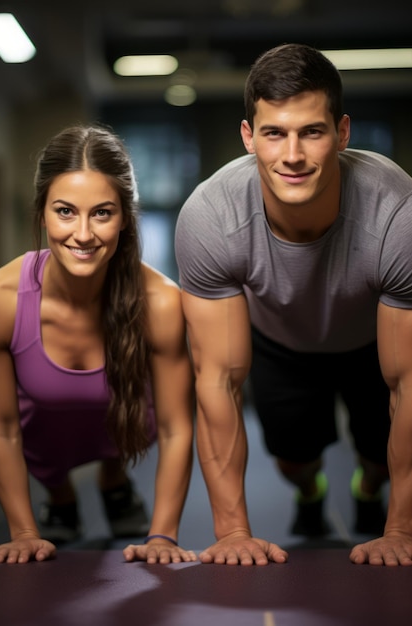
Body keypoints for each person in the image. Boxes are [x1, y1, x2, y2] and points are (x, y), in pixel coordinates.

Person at [175, 42, 412, 566]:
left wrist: (402, 530)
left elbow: (409, 384)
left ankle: (368, 493)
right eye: (273, 133)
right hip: (279, 338)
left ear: (342, 133)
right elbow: (217, 382)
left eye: (312, 131)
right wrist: (233, 533)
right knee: (292, 460)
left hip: (371, 338)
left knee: (378, 458)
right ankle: (311, 494)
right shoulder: (211, 218)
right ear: (248, 138)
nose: (293, 155)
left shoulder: (398, 212)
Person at [0, 124, 196, 565]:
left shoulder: (161, 302)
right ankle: (60, 495)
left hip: (122, 422)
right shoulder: (3, 299)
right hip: (43, 434)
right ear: (42, 212)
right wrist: (24, 532)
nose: (83, 234)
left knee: (122, 397)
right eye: (65, 211)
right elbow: (3, 428)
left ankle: (113, 480)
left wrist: (163, 535)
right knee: (45, 412)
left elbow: (176, 427)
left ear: (125, 216)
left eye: (102, 213)